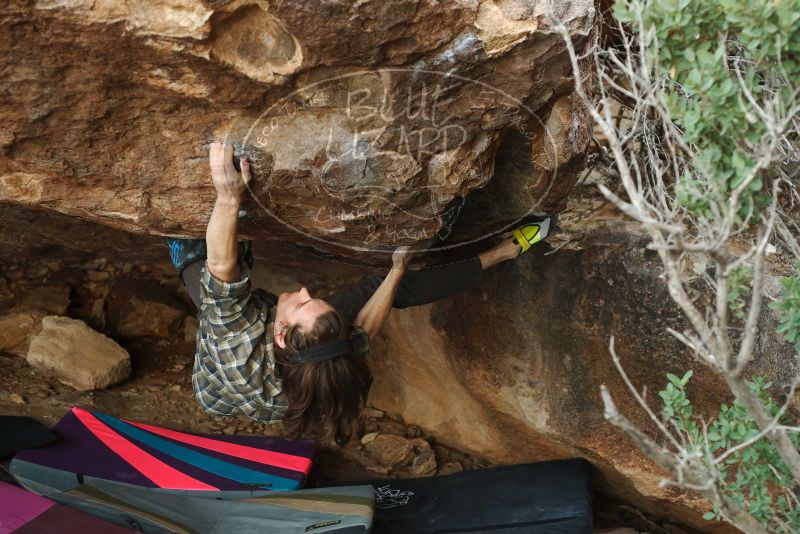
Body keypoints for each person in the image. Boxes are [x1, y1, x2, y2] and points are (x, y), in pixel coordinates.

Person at [167, 142, 557, 445]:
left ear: (283, 336)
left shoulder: (232, 335)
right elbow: (366, 328)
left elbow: (220, 269)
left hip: (223, 370)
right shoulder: (328, 360)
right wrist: (397, 270)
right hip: (253, 373)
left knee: (196, 253)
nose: (304, 289)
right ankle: (503, 251)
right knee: (386, 286)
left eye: (305, 301)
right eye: (308, 299)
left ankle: (220, 237)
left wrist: (229, 196)